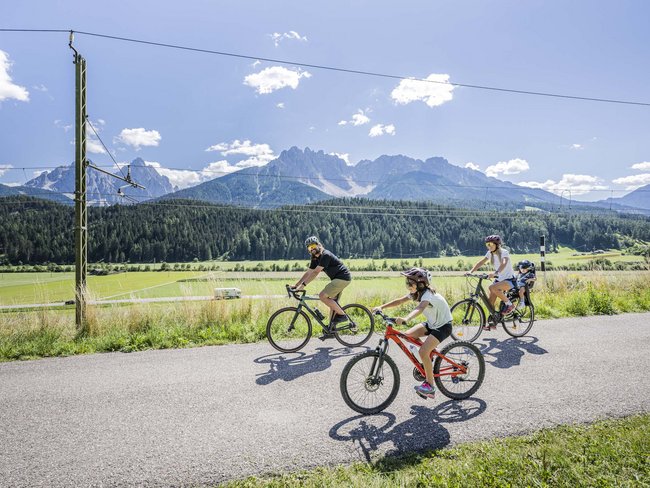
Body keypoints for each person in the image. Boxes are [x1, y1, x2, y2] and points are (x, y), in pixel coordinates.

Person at [372, 267, 453, 399]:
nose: (408, 286)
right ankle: (429, 354)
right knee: (408, 335)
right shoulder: (417, 293)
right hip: (432, 324)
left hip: (443, 326)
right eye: (407, 283)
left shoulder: (427, 294)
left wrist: (406, 318)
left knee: (422, 352)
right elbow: (399, 301)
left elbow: (420, 308)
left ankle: (430, 387)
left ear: (420, 284)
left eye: (410, 283)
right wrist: (382, 307)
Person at [293, 236, 352, 337]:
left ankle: (342, 315)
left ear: (318, 244)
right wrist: (296, 285)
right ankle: (332, 330)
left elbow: (316, 272)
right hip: (337, 279)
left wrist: (303, 285)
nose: (312, 249)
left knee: (322, 296)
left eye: (313, 246)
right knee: (332, 303)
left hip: (342, 278)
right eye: (309, 248)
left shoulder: (325, 255)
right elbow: (309, 272)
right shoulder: (315, 258)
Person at [467, 234, 517, 326]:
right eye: (487, 245)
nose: (488, 246)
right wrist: (471, 271)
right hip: (499, 280)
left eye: (490, 244)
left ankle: (510, 304)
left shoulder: (504, 252)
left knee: (492, 287)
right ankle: (494, 321)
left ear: (497, 244)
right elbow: (481, 262)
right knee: (490, 303)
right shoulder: (490, 253)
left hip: (510, 280)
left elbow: (504, 263)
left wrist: (496, 273)